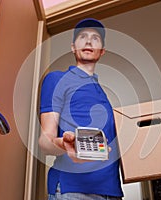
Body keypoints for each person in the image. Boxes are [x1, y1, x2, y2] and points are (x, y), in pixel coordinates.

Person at [39, 18, 123, 200]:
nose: (88, 41)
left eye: (95, 38)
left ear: (102, 51)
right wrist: (62, 144)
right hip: (74, 189)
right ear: (73, 47)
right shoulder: (57, 79)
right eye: (82, 36)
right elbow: (45, 140)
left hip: (112, 192)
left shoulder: (103, 95)